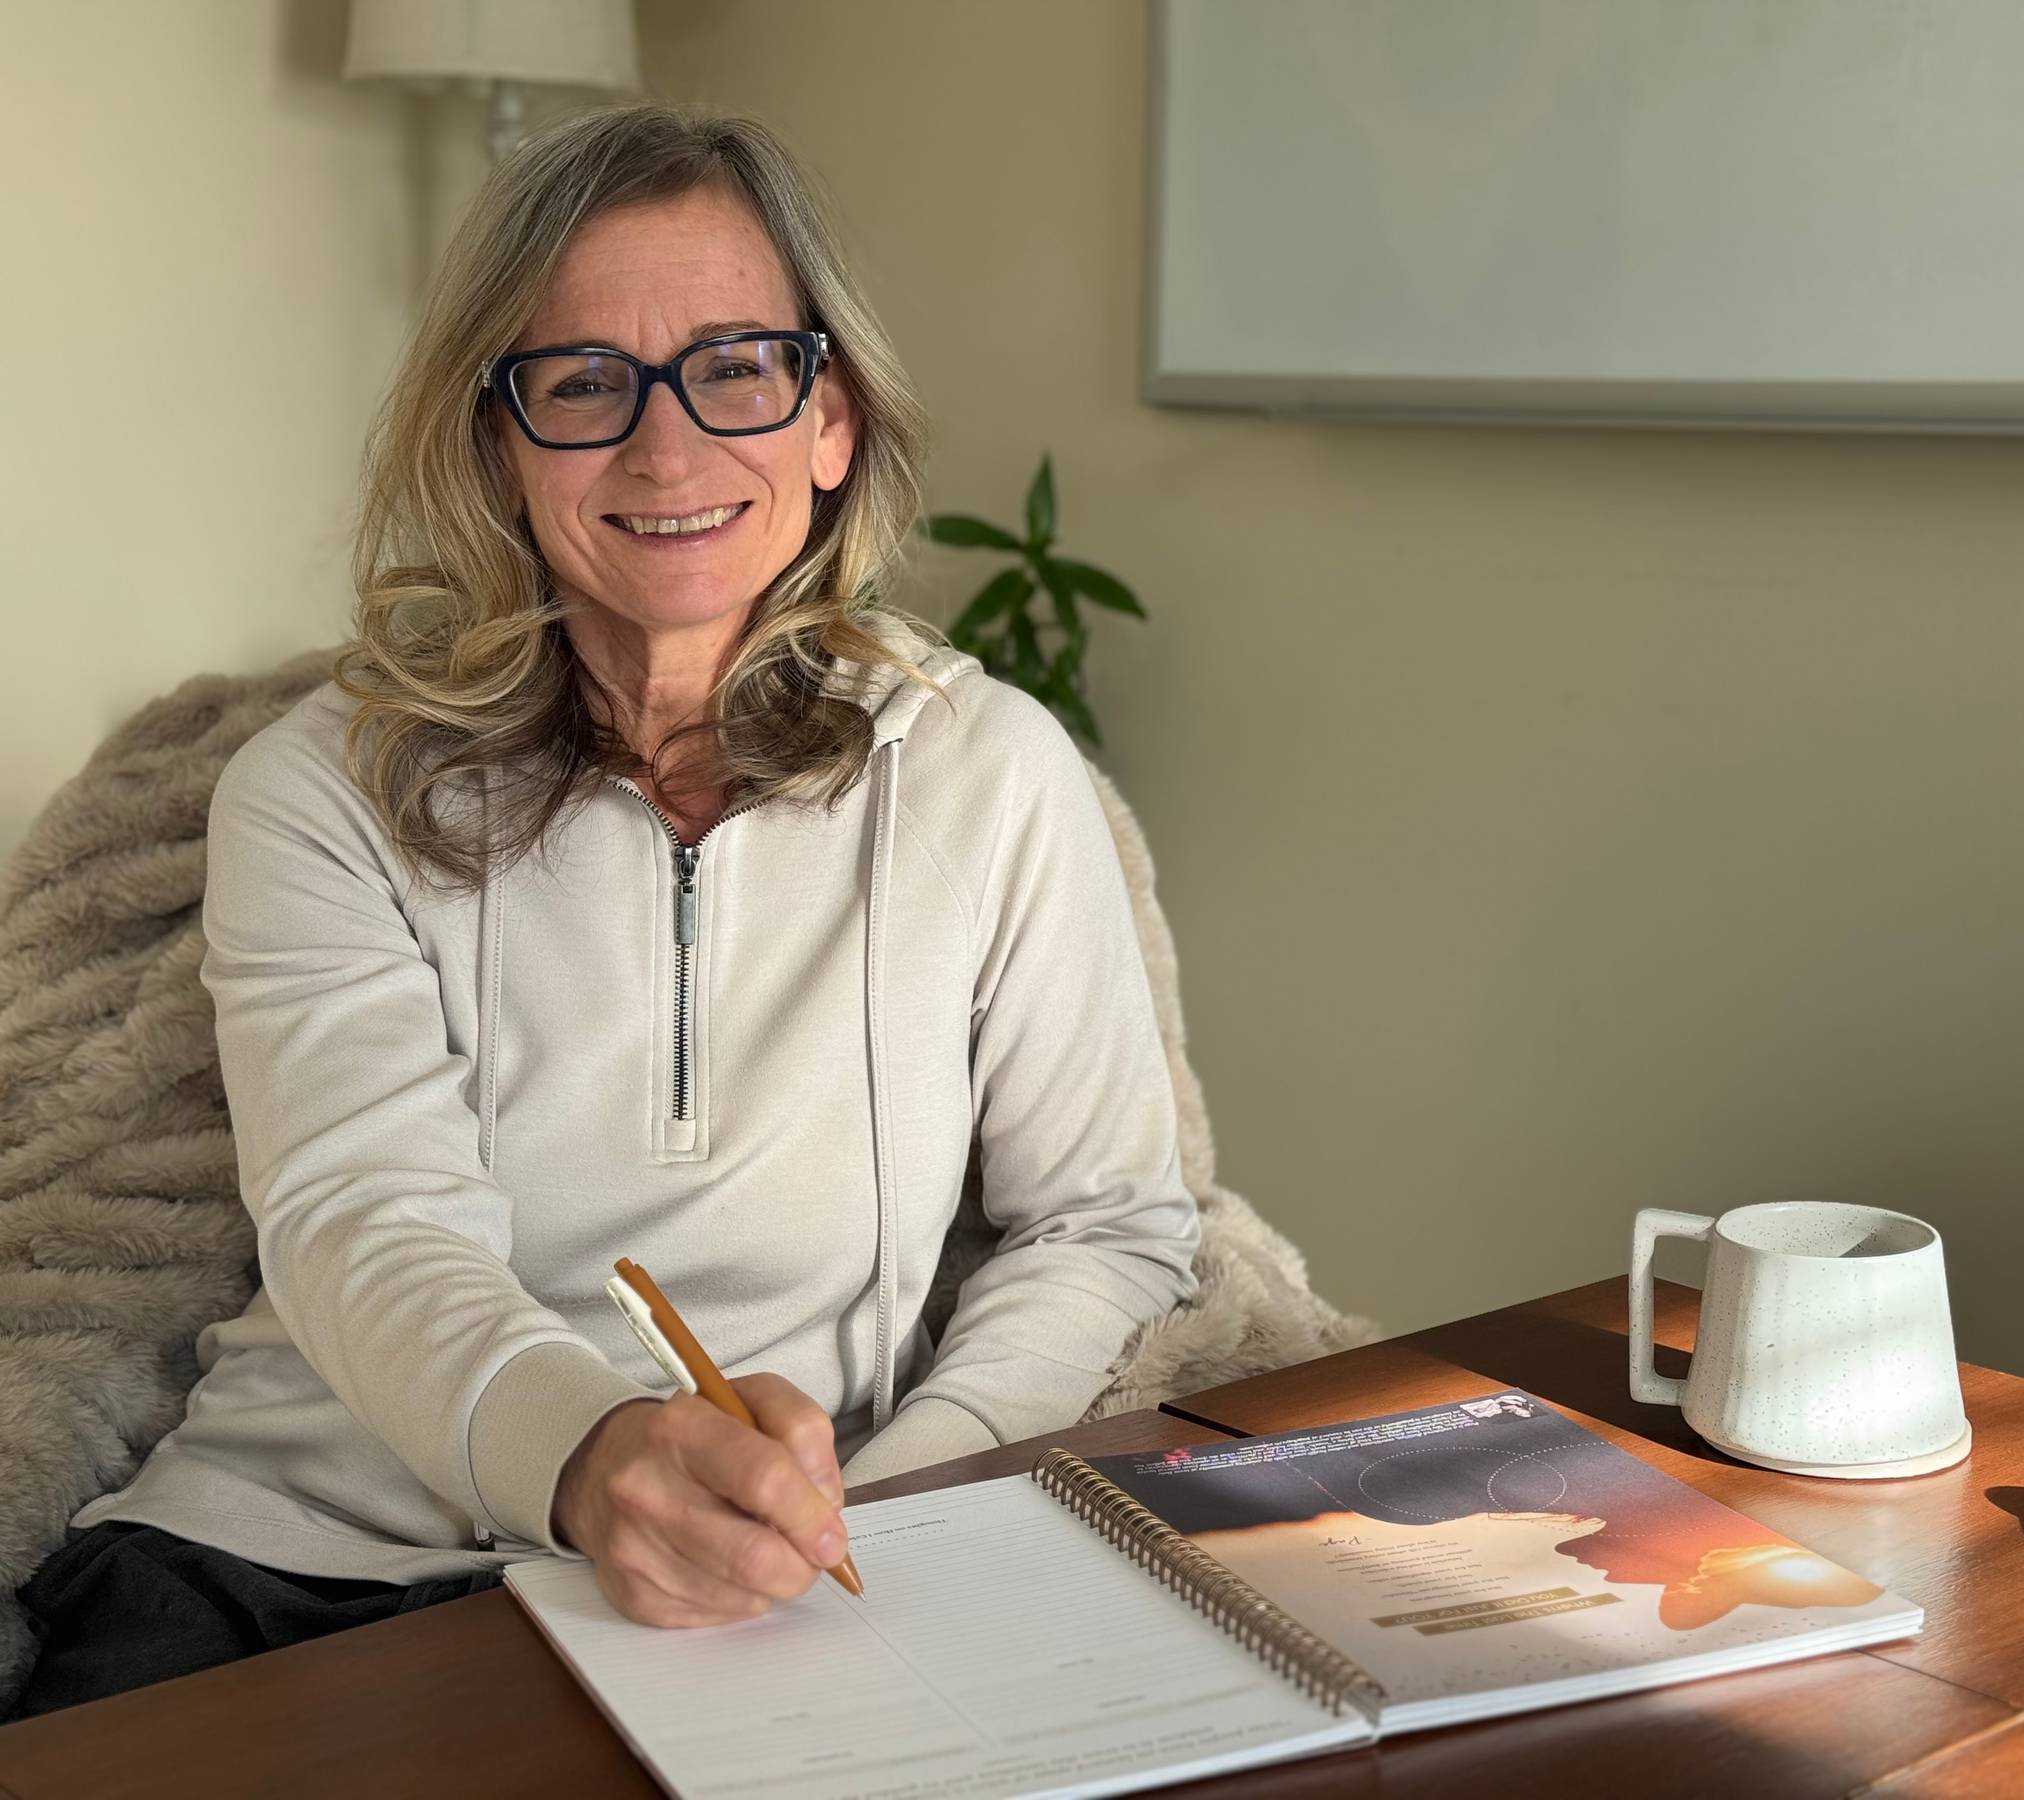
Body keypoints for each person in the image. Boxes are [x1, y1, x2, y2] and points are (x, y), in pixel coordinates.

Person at [7, 101, 1198, 1717]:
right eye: (582, 385)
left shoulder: (994, 775)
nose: (667, 449)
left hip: (798, 1579)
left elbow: (1104, 1225)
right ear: (496, 444)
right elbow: (368, 1223)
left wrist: (903, 1503)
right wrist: (589, 1461)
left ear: (829, 418)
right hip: (299, 1562)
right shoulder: (315, 791)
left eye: (735, 366)